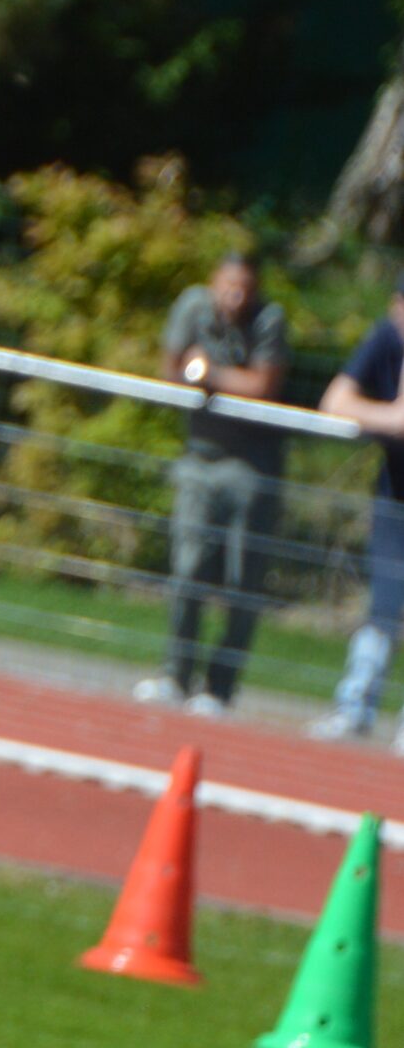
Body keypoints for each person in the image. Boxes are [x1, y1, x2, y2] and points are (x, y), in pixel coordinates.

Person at [132, 248, 289, 716]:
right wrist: (205, 375)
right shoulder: (192, 306)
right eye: (228, 286)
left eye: (245, 289)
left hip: (252, 465)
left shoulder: (270, 320)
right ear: (214, 281)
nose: (235, 297)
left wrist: (209, 373)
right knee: (187, 566)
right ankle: (175, 674)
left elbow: (263, 386)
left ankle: (219, 688)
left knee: (242, 580)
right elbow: (171, 370)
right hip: (199, 458)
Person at [310, 282, 404, 744]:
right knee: (383, 605)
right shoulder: (386, 337)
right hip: (395, 497)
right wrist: (393, 419)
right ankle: (355, 707)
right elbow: (335, 401)